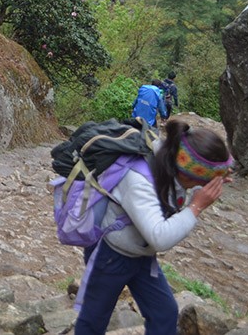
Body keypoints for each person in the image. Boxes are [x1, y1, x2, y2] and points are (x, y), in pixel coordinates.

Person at [75, 118, 233, 334]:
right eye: (201, 180)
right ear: (189, 173)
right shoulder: (139, 178)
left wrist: (217, 175)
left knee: (164, 314)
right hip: (110, 254)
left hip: (141, 254)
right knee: (94, 319)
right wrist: (196, 206)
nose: (202, 186)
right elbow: (159, 237)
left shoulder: (171, 161)